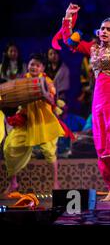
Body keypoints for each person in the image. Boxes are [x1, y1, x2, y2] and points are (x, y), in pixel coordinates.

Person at [54, 3, 110, 201]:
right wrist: (69, 17)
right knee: (103, 143)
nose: (104, 31)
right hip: (99, 101)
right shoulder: (93, 48)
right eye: (102, 28)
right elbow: (68, 41)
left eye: (108, 29)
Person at [2, 53, 65, 194]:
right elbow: (16, 98)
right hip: (26, 120)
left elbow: (52, 102)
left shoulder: (47, 81)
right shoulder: (23, 81)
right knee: (9, 147)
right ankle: (13, 183)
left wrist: (44, 94)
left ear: (42, 68)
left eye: (37, 65)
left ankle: (56, 183)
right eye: (32, 64)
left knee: (49, 152)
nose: (34, 67)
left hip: (43, 121)